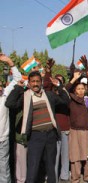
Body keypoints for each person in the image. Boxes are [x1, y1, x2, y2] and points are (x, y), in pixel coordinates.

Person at [5, 71, 69, 183]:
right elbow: (9, 103)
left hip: (50, 136)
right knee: (33, 168)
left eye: (38, 81)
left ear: (41, 82)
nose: (35, 84)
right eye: (33, 81)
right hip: (35, 137)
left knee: (50, 168)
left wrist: (59, 86)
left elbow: (66, 101)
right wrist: (18, 87)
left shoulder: (49, 95)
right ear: (29, 83)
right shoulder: (25, 96)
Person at [66, 71, 88, 183]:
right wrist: (73, 79)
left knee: (87, 156)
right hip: (74, 131)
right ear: (75, 90)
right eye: (78, 89)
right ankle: (75, 178)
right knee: (75, 157)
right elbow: (64, 90)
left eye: (82, 88)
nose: (81, 91)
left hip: (86, 132)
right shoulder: (70, 100)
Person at [0, 53, 22, 183]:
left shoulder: (4, 95)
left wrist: (10, 62)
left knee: (4, 169)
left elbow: (17, 79)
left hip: (2, 139)